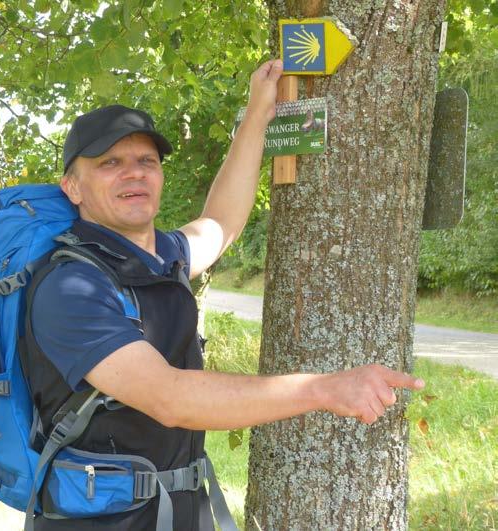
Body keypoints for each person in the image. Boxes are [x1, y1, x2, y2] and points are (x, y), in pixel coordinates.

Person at [26, 59, 425, 530]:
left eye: (145, 162)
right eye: (110, 163)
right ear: (72, 186)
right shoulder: (71, 286)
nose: (133, 174)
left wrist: (257, 115)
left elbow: (221, 223)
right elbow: (170, 397)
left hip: (178, 510)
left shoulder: (159, 257)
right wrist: (325, 388)